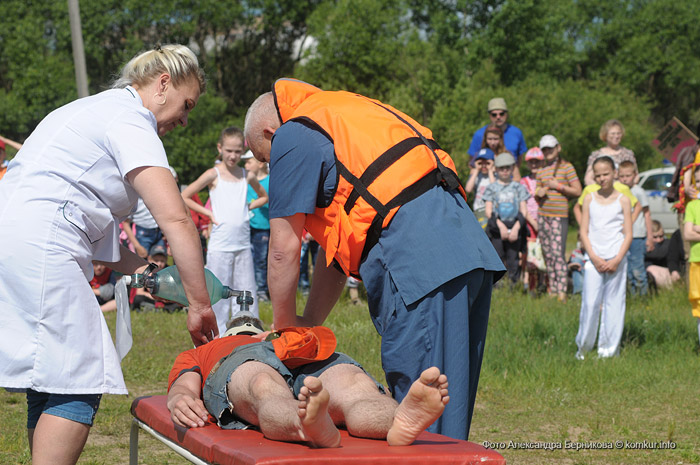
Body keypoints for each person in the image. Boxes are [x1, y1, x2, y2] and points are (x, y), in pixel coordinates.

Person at [243, 78, 504, 441]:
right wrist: (309, 323)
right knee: (446, 405)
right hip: (467, 251)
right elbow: (335, 249)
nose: (270, 168)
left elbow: (284, 248)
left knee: (419, 414)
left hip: (420, 262)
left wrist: (284, 327)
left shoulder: (292, 134)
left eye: (263, 158)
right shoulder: (343, 113)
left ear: (271, 133)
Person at [0, 44, 218, 465]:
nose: (185, 119)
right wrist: (199, 304)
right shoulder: (131, 119)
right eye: (186, 104)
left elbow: (102, 238)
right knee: (77, 376)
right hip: (42, 240)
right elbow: (176, 221)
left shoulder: (90, 109)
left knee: (51, 372)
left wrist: (149, 276)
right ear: (162, 83)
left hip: (20, 235)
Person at [167, 314, 450, 448]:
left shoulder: (206, 349)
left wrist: (179, 396)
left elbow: (184, 385)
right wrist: (180, 396)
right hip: (300, 348)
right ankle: (394, 417)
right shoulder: (280, 333)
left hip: (257, 355)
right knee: (353, 386)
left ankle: (304, 423)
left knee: (263, 386)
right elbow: (183, 388)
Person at [182, 126, 268, 334]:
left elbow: (264, 196)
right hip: (220, 245)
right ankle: (216, 335)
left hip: (242, 245)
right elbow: (185, 195)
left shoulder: (246, 175)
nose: (233, 156)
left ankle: (247, 332)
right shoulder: (213, 175)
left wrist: (248, 207)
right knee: (218, 293)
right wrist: (209, 214)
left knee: (246, 291)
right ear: (220, 148)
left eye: (238, 151)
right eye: (229, 150)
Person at [575, 156, 633, 359]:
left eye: (606, 174)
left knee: (614, 303)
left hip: (616, 257)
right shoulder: (590, 198)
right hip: (594, 258)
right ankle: (583, 347)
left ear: (614, 173)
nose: (602, 178)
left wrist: (617, 259)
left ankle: (609, 350)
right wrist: (594, 256)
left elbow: (628, 233)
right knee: (590, 303)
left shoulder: (623, 199)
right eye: (598, 175)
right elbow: (584, 231)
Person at [534, 135, 582, 302]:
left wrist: (558, 186)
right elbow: (537, 192)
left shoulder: (567, 167)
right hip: (543, 216)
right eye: (545, 149)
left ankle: (562, 291)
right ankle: (553, 289)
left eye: (551, 148)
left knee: (558, 253)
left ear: (558, 148)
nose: (548, 152)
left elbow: (578, 190)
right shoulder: (541, 170)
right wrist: (538, 193)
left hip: (558, 216)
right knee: (547, 253)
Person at [483, 152, 532, 285]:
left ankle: (513, 287)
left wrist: (516, 228)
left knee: (513, 259)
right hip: (496, 226)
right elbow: (488, 211)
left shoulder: (518, 187)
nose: (505, 171)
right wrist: (500, 226)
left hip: (515, 224)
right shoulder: (491, 188)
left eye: (508, 168)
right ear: (496, 169)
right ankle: (497, 287)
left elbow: (524, 210)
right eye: (501, 168)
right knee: (497, 257)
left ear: (512, 168)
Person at [468, 98, 527, 181]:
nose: (498, 117)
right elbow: (472, 163)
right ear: (489, 115)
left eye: (501, 114)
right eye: (494, 114)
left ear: (506, 114)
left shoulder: (516, 132)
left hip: (509, 181)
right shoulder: (479, 134)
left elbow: (519, 159)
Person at [617, 160, 653, 295]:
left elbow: (647, 214)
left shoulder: (638, 192)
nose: (625, 179)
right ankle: (632, 296)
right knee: (628, 270)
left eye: (628, 175)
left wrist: (650, 237)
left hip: (637, 236)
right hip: (623, 236)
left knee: (638, 269)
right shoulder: (618, 191)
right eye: (622, 176)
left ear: (635, 175)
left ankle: (643, 297)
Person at [243, 150, 271, 302]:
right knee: (247, 258)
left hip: (263, 228)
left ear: (260, 163)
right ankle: (249, 288)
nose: (245, 165)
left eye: (249, 162)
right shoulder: (245, 181)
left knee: (261, 259)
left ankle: (261, 290)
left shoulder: (270, 181)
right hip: (247, 226)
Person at [583, 119, 638, 186]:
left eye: (618, 133)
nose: (616, 136)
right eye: (613, 133)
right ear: (605, 135)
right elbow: (588, 179)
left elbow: (636, 176)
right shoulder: (596, 155)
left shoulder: (628, 154)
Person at [520, 147, 544, 292]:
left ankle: (543, 283)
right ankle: (529, 285)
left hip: (546, 221)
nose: (534, 165)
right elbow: (523, 204)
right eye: (531, 162)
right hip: (530, 222)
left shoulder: (546, 178)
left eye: (537, 162)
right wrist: (534, 223)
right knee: (530, 254)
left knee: (544, 253)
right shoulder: (525, 181)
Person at [131, 244, 180, 312]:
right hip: (151, 297)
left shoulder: (169, 270)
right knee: (138, 299)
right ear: (149, 259)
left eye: (162, 261)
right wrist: (156, 296)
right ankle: (160, 307)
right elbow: (139, 292)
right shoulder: (144, 270)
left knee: (178, 302)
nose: (159, 264)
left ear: (166, 260)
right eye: (156, 260)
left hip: (166, 299)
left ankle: (158, 307)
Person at [683, 166, 700, 347]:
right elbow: (687, 234)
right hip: (697, 260)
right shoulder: (693, 206)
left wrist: (697, 228)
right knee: (698, 302)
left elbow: (692, 230)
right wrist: (693, 229)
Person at [645, 220, 684, 289]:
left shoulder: (667, 244)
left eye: (661, 236)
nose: (659, 240)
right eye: (655, 237)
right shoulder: (643, 247)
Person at [465, 147, 496, 228]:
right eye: (481, 163)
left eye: (487, 163)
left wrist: (490, 170)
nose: (484, 165)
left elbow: (495, 189)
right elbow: (468, 189)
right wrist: (476, 170)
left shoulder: (494, 176)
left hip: (492, 210)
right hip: (478, 209)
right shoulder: (477, 176)